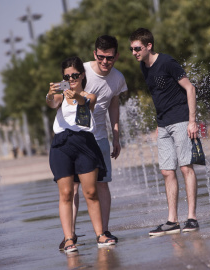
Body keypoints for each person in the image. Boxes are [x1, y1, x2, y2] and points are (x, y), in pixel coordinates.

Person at [129, 28, 200, 236]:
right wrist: (158, 126)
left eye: (137, 48)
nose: (134, 52)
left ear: (149, 46)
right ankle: (172, 220)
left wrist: (192, 121)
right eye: (131, 49)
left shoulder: (167, 62)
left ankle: (192, 218)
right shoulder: (144, 67)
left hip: (181, 121)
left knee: (186, 168)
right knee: (167, 171)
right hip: (163, 125)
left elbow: (190, 88)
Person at [61, 35, 128, 250]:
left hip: (99, 137)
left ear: (116, 56)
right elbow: (63, 93)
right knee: (73, 187)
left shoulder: (118, 78)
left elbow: (114, 106)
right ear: (94, 54)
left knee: (102, 185)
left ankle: (104, 231)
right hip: (76, 137)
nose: (105, 62)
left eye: (109, 58)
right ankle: (69, 236)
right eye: (101, 57)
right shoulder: (82, 71)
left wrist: (116, 136)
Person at [46, 56, 116, 253]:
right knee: (66, 193)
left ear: (82, 75)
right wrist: (50, 95)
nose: (71, 79)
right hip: (62, 145)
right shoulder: (61, 97)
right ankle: (69, 238)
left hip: (85, 143)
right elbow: (52, 103)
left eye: (75, 75)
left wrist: (75, 95)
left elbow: (85, 103)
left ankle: (101, 234)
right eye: (67, 76)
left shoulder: (89, 95)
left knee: (91, 192)